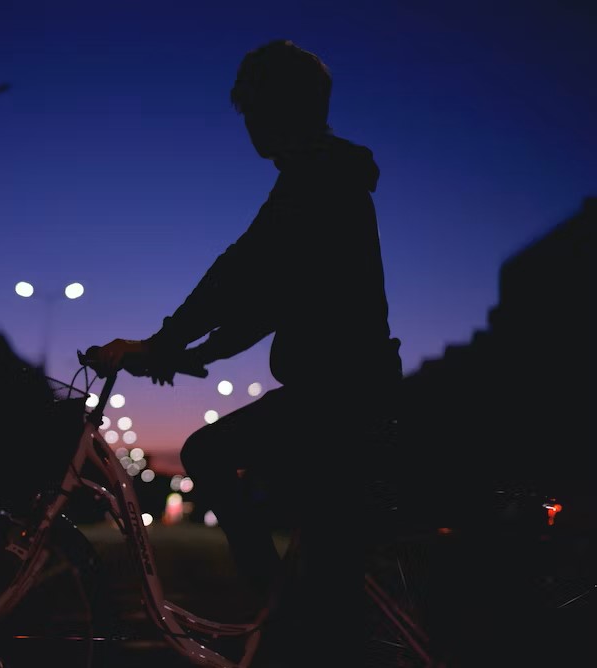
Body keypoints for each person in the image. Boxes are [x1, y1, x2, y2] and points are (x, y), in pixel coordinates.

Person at [93, 39, 403, 662]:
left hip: (342, 395)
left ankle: (283, 611)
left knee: (206, 452)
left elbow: (240, 271)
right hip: (345, 389)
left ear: (283, 107)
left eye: (254, 108)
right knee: (322, 561)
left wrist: (161, 343)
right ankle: (295, 615)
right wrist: (190, 351)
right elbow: (274, 297)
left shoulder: (316, 182)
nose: (249, 123)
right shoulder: (323, 177)